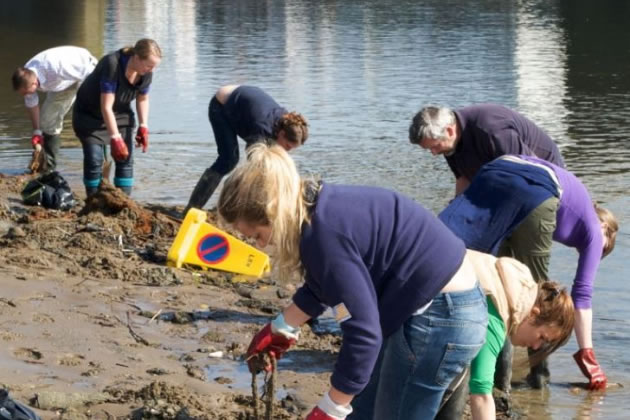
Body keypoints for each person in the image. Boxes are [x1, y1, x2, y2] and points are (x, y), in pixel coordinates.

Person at [217, 143, 488, 419]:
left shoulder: (324, 237)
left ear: (273, 212)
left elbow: (363, 334)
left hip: (442, 316)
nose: (260, 245)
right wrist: (281, 326)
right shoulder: (317, 208)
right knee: (362, 410)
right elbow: (326, 285)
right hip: (437, 305)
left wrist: (331, 408)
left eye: (256, 236)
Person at [439, 155, 618, 393]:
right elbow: (582, 297)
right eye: (604, 249)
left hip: (495, 170)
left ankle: (486, 375)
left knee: (491, 279)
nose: (594, 252)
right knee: (537, 297)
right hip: (536, 190)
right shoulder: (596, 230)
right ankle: (538, 380)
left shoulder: (576, 208)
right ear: (606, 227)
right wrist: (588, 356)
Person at [466, 250, 574, 420]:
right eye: (542, 337)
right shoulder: (495, 316)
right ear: (534, 313)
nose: (536, 346)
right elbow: (481, 395)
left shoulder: (509, 281)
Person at [184, 84, 308, 214]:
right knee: (229, 160)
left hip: (240, 103)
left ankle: (228, 205)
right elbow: (253, 165)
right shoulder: (262, 128)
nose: (287, 151)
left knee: (266, 166)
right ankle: (192, 208)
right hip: (220, 106)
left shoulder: (287, 123)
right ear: (282, 134)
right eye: (288, 146)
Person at [408, 104, 565, 195]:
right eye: (429, 149)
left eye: (435, 146)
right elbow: (463, 179)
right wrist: (456, 211)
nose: (434, 153)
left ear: (449, 131)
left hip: (544, 176)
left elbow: (528, 172)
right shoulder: (450, 143)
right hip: (505, 179)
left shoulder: (491, 130)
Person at [72, 39, 161, 196]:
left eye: (154, 67)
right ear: (136, 57)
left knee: (125, 159)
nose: (151, 70)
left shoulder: (146, 73)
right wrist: (115, 137)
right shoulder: (112, 64)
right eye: (149, 65)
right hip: (89, 114)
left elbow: (143, 98)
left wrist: (143, 126)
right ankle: (92, 201)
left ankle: (124, 204)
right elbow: (106, 106)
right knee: (94, 160)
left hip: (120, 113)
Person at [12, 46, 97, 171]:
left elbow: (88, 74)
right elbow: (31, 104)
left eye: (25, 92)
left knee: (83, 116)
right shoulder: (26, 77)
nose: (25, 95)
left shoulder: (56, 68)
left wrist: (93, 103)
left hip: (84, 70)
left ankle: (50, 166)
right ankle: (45, 164)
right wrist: (36, 131)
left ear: (34, 84)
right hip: (59, 83)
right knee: (45, 122)